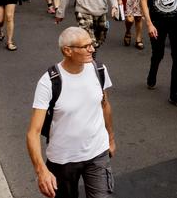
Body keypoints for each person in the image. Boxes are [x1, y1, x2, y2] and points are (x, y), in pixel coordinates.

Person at [26, 27, 115, 198]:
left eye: (92, 44)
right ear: (68, 51)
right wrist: (41, 171)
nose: (92, 49)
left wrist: (110, 138)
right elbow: (33, 132)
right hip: (63, 159)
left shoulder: (99, 70)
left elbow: (105, 105)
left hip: (98, 152)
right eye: (86, 46)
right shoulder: (49, 81)